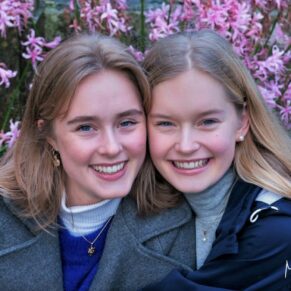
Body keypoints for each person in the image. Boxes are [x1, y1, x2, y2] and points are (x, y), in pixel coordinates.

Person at [0, 33, 198, 291]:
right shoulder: (6, 219)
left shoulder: (177, 226)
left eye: (127, 123)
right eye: (86, 127)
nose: (112, 148)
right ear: (48, 135)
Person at [141, 29, 291, 290]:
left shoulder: (276, 231)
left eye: (207, 122)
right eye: (165, 123)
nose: (186, 146)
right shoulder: (148, 201)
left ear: (242, 123)